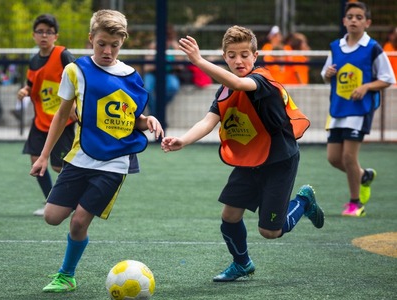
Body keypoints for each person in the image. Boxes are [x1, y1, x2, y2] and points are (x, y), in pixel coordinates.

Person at [162, 26, 324, 282]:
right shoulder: (224, 91)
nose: (239, 60)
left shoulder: (261, 81)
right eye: (232, 55)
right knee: (229, 216)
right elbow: (207, 122)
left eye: (245, 54)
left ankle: (303, 202)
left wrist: (198, 60)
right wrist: (183, 140)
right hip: (250, 161)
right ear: (224, 57)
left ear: (256, 55)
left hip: (279, 161)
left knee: (270, 231)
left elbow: (239, 82)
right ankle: (242, 263)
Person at [30, 9, 164, 292]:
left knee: (79, 222)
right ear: (91, 39)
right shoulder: (75, 71)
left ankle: (66, 276)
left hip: (114, 163)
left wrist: (147, 121)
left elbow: (130, 121)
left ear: (122, 43)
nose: (108, 51)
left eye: (114, 45)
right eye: (102, 43)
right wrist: (44, 156)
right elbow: (61, 115)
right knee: (52, 217)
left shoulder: (130, 77)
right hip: (80, 157)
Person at [320, 1, 395, 217]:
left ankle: (355, 203)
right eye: (350, 16)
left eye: (359, 17)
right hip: (337, 108)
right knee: (334, 158)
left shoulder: (373, 48)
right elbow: (325, 75)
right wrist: (328, 74)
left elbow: (388, 79)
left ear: (367, 22)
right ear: (344, 21)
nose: (354, 20)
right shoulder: (336, 47)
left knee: (348, 157)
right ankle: (364, 176)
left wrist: (366, 86)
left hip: (360, 110)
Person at [17, 14, 77, 216]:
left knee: (60, 166)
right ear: (34, 35)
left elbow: (79, 78)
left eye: (49, 32)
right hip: (40, 120)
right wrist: (25, 91)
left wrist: (75, 106)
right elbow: (32, 84)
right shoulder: (33, 61)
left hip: (62, 120)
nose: (44, 36)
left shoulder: (63, 55)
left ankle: (73, 200)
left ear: (56, 36)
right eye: (40, 32)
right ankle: (50, 201)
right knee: (36, 161)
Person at [143, 24, 181, 117]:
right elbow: (146, 67)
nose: (166, 40)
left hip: (169, 73)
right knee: (147, 89)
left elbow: (180, 66)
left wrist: (170, 64)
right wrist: (158, 64)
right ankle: (156, 114)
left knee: (173, 87)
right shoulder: (154, 46)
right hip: (153, 73)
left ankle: (158, 110)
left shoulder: (175, 46)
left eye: (168, 37)